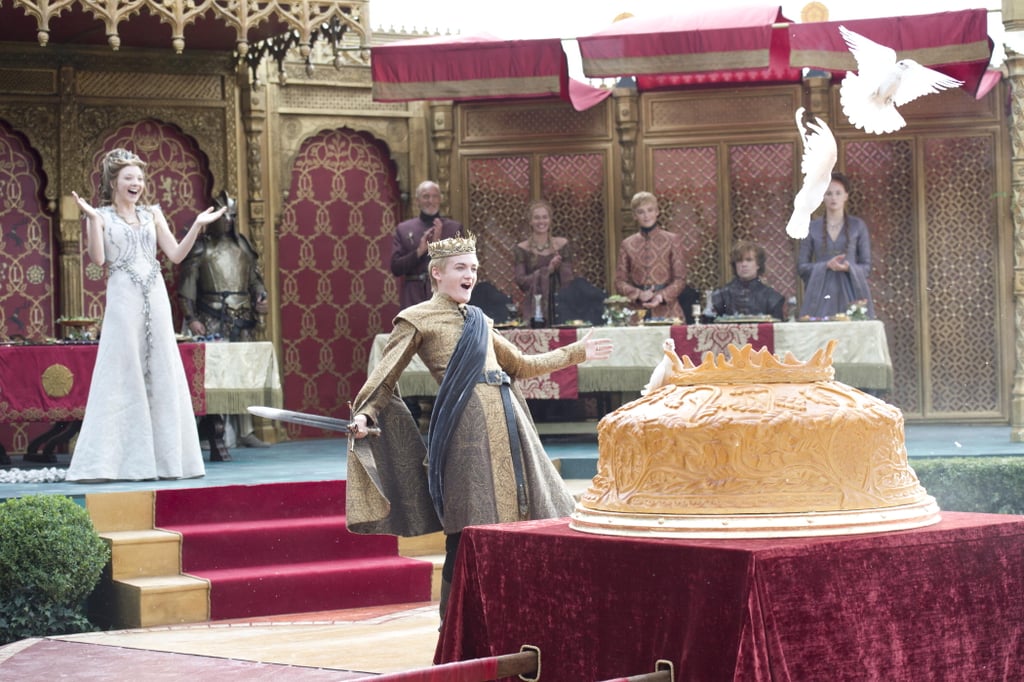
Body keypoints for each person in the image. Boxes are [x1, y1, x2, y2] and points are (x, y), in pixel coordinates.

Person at [347, 234, 613, 620]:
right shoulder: (417, 318)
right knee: (466, 527)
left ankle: (515, 614)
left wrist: (577, 353)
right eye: (460, 268)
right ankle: (452, 625)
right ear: (437, 274)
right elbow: (385, 377)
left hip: (510, 425)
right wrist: (364, 414)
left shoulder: (479, 320)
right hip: (465, 434)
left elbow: (521, 365)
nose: (469, 274)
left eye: (473, 268)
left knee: (521, 519)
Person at [66, 148, 225, 482]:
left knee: (161, 367)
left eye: (139, 177)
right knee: (123, 369)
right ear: (113, 182)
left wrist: (197, 224)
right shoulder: (103, 215)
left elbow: (176, 254)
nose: (136, 182)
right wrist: (93, 221)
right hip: (123, 296)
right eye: (129, 177)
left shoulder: (153, 213)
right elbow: (97, 259)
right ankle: (117, 463)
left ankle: (166, 462)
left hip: (155, 296)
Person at [178, 192, 270, 458]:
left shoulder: (242, 245)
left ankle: (246, 430)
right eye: (223, 215)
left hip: (242, 315)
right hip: (211, 315)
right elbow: (187, 287)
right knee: (213, 377)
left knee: (244, 374)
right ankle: (211, 433)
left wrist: (260, 296)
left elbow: (254, 278)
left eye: (231, 216)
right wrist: (192, 317)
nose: (228, 220)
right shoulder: (201, 247)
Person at [797, 172, 874, 319]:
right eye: (828, 193)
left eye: (838, 193)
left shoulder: (858, 226)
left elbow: (867, 267)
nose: (833, 198)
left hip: (852, 293)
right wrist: (825, 265)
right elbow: (802, 267)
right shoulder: (812, 227)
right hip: (820, 294)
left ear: (846, 196)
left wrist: (848, 267)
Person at [390, 180, 463, 309]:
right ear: (417, 201)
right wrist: (419, 252)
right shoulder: (404, 229)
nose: (431, 201)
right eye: (426, 196)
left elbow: (462, 267)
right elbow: (396, 268)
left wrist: (437, 249)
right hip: (414, 297)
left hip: (445, 296)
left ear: (440, 200)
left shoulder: (454, 229)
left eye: (435, 196)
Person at [614, 191, 687, 320]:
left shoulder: (672, 240)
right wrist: (638, 294)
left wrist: (660, 296)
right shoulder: (627, 244)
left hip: (668, 312)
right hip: (636, 312)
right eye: (641, 212)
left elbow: (680, 279)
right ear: (635, 215)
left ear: (657, 212)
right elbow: (619, 282)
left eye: (650, 210)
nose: (646, 216)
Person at [513, 199, 574, 324]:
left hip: (560, 304)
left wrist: (559, 267)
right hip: (535, 305)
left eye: (545, 217)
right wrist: (548, 270)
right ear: (530, 221)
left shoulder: (562, 245)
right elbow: (521, 281)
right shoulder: (521, 248)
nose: (541, 221)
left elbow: (568, 281)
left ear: (550, 220)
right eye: (537, 218)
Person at [712, 240, 785, 320]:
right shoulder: (721, 296)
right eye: (739, 260)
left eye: (749, 260)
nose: (744, 264)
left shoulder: (772, 298)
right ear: (735, 265)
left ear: (758, 264)